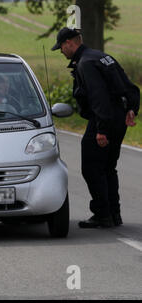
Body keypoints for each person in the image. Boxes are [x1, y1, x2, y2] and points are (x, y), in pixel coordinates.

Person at [52, 27, 140, 228]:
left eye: (61, 48)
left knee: (91, 167)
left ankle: (103, 213)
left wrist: (101, 130)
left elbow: (98, 97)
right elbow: (128, 86)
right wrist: (132, 108)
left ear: (69, 43)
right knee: (108, 167)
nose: (61, 52)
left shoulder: (86, 64)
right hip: (119, 117)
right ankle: (113, 214)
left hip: (104, 120)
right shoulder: (102, 57)